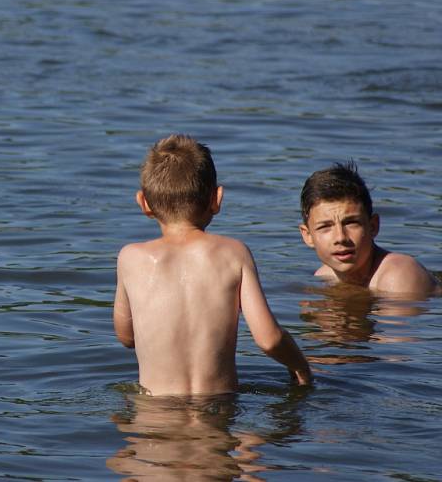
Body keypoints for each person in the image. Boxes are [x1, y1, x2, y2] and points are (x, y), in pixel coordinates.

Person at [113, 134, 311, 396]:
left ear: (144, 203)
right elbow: (269, 339)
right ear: (216, 199)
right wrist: (301, 368)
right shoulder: (233, 254)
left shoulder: (131, 258)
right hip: (218, 413)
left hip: (154, 417)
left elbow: (126, 337)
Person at [299, 162, 440, 298]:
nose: (340, 237)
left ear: (373, 226)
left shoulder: (399, 275)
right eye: (325, 227)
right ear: (308, 236)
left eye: (351, 223)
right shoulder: (323, 276)